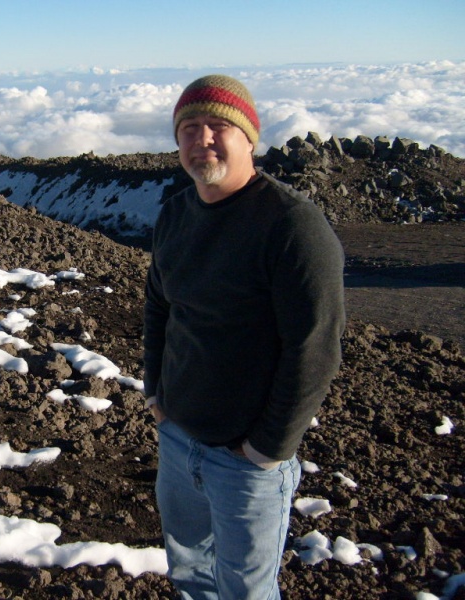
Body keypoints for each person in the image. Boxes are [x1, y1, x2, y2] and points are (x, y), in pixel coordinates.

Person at [143, 74, 346, 599]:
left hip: (244, 460)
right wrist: (155, 395)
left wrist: (267, 448)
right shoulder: (176, 213)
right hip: (178, 437)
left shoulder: (293, 226)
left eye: (217, 127)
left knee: (245, 590)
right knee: (189, 574)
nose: (201, 140)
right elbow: (159, 306)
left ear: (249, 137)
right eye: (189, 129)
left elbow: (315, 346)